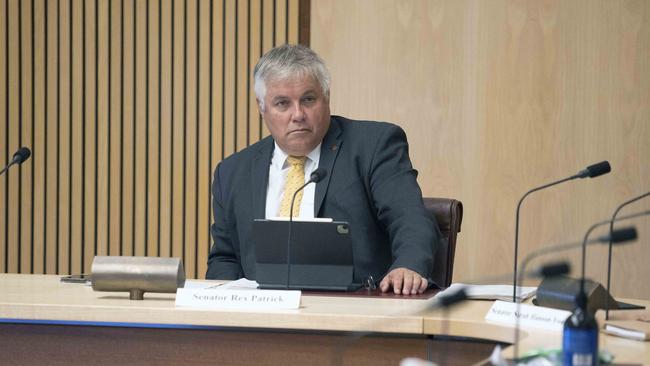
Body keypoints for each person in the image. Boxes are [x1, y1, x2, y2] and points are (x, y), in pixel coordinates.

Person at [206, 44, 441, 295]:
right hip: (264, 319)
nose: (298, 115)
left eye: (308, 99)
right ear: (261, 107)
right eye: (282, 104)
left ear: (326, 96)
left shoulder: (373, 147)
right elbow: (225, 259)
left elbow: (410, 218)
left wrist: (408, 265)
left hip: (353, 312)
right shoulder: (233, 172)